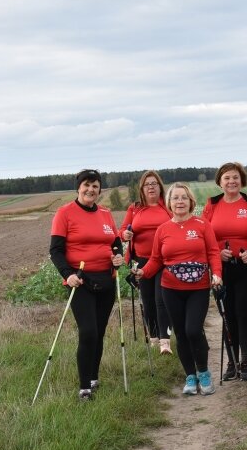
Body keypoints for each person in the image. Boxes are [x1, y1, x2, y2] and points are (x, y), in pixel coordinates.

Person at [133, 183, 223, 395]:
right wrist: (143, 273)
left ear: (191, 201)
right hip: (170, 288)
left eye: (184, 198)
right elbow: (156, 259)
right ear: (169, 203)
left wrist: (217, 274)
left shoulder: (202, 224)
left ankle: (203, 372)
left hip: (198, 288)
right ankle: (190, 376)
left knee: (193, 329)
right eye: (175, 198)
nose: (180, 202)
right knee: (181, 333)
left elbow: (213, 252)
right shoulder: (163, 230)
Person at [49, 169, 124, 401]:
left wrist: (118, 257)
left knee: (99, 332)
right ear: (78, 187)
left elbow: (115, 243)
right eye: (87, 185)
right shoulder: (65, 213)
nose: (91, 190)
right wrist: (68, 274)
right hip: (80, 281)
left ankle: (93, 376)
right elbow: (56, 251)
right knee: (88, 331)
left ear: (100, 190)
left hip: (106, 280)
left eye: (95, 186)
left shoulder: (105, 213)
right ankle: (84, 387)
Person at [202, 162, 247, 381]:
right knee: (227, 315)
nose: (231, 181)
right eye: (227, 178)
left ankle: (246, 362)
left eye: (235, 178)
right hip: (221, 269)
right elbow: (203, 235)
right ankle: (232, 362)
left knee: (244, 314)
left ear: (242, 180)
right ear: (220, 181)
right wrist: (218, 253)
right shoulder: (211, 205)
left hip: (246, 267)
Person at [119, 171, 173, 355]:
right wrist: (125, 235)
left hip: (165, 261)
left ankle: (165, 341)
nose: (151, 186)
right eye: (147, 184)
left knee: (161, 300)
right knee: (148, 301)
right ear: (141, 189)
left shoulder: (168, 207)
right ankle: (153, 337)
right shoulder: (134, 209)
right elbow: (121, 231)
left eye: (154, 183)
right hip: (141, 261)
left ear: (160, 187)